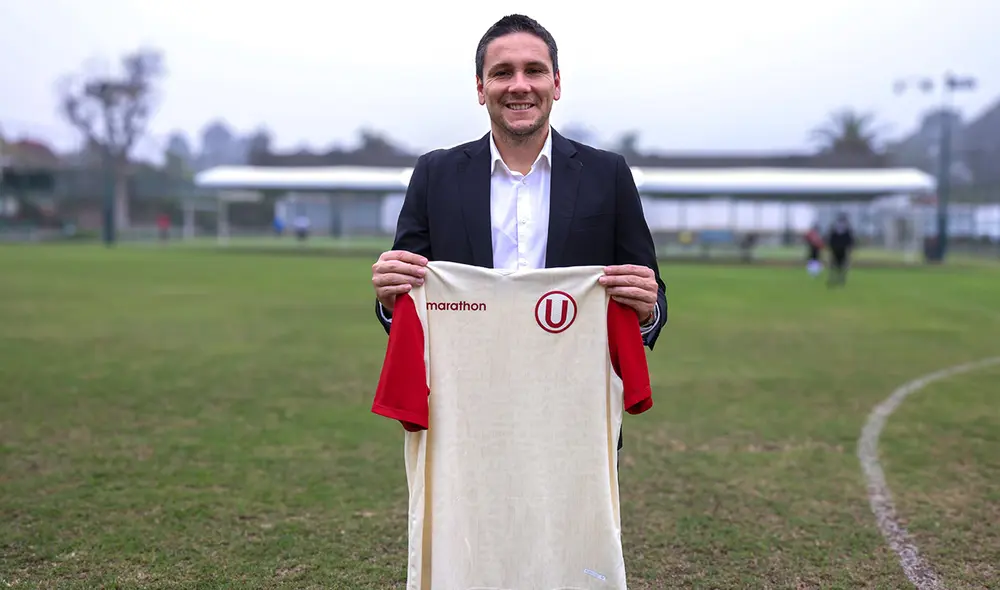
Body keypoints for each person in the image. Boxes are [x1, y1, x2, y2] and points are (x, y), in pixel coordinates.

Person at [370, 13, 667, 449]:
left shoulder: (608, 174)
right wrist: (389, 298)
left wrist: (646, 310)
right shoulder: (435, 173)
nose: (519, 85)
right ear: (480, 88)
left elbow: (651, 294)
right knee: (467, 519)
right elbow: (407, 297)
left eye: (534, 71)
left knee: (576, 521)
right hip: (465, 411)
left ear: (557, 84)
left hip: (577, 410)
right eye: (502, 73)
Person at [826, 213, 855, 286]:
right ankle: (838, 279)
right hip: (839, 250)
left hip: (839, 250)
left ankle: (837, 279)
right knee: (838, 266)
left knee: (838, 266)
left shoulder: (839, 230)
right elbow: (850, 241)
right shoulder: (840, 230)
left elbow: (850, 241)